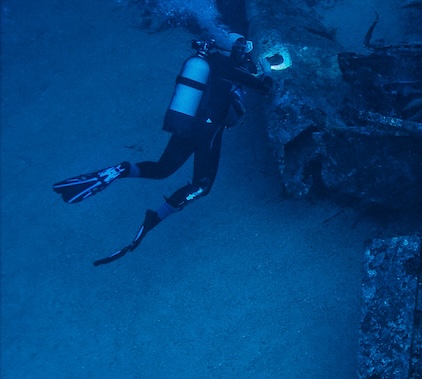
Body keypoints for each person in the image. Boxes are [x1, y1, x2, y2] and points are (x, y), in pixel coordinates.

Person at [53, 33, 272, 265]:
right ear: (233, 49)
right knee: (202, 186)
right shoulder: (228, 68)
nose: (245, 51)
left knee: (162, 169)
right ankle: (153, 219)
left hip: (187, 126)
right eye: (242, 46)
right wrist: (267, 69)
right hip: (207, 131)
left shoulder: (208, 63)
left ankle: (122, 169)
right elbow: (264, 88)